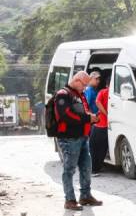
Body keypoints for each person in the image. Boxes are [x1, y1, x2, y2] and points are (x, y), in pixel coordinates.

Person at [54, 71, 103, 211]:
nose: (85, 88)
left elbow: (84, 111)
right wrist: (88, 118)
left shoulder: (80, 95)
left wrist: (92, 117)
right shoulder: (63, 94)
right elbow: (65, 116)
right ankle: (69, 200)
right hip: (69, 139)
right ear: (77, 81)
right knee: (69, 170)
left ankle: (85, 196)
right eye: (84, 85)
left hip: (82, 138)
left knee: (86, 168)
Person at [89, 77, 110, 174]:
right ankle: (98, 167)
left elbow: (97, 102)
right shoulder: (117, 94)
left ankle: (94, 169)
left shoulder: (103, 91)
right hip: (108, 126)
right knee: (103, 147)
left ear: (106, 84)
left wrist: (105, 113)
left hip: (99, 125)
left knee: (93, 146)